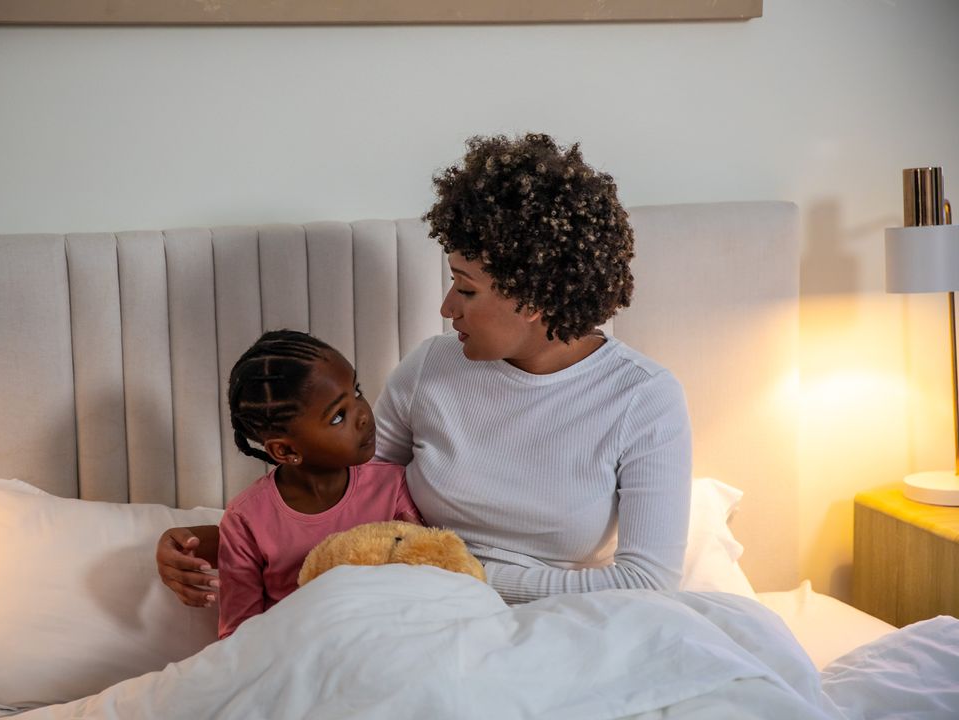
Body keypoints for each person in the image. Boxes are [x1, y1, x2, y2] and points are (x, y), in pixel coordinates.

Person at [157, 133, 691, 610]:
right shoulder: (432, 368)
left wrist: (460, 575)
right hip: (409, 612)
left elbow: (647, 581)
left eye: (466, 288)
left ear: (531, 297)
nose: (446, 307)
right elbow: (341, 493)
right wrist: (206, 541)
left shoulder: (643, 400)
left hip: (556, 623)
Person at [206, 329, 422, 638]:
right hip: (298, 657)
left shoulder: (392, 486)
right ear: (286, 450)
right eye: (337, 416)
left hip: (383, 643)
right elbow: (239, 635)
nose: (362, 414)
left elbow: (426, 577)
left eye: (356, 391)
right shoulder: (245, 519)